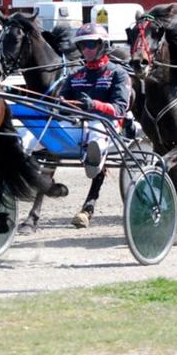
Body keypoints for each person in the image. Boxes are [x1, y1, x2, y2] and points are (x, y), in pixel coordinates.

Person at [59, 23, 131, 227]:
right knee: (43, 131)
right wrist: (61, 104)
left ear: (102, 45)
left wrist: (95, 105)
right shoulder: (75, 76)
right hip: (77, 125)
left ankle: (94, 160)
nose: (87, 49)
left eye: (91, 44)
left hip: (106, 125)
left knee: (95, 132)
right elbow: (61, 102)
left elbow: (119, 110)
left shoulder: (118, 74)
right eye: (83, 45)